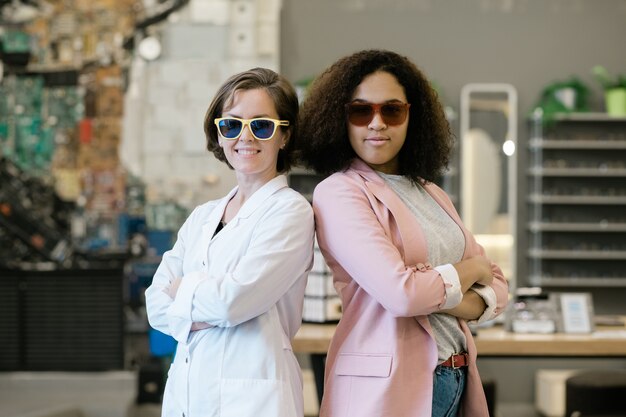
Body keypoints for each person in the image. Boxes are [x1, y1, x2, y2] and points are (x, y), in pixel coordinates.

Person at [296, 49, 509, 417]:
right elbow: (403, 295)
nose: (376, 123)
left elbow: (500, 287)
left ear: (412, 116)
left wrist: (434, 286)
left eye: (391, 110)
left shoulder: (431, 193)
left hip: (452, 377)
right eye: (361, 111)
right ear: (341, 119)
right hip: (385, 391)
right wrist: (471, 271)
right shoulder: (340, 192)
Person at [145, 67, 315, 417]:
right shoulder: (202, 217)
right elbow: (154, 305)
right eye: (232, 125)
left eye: (262, 125)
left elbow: (232, 303)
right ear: (219, 135)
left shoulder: (291, 212)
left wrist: (183, 292)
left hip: (254, 400)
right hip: (186, 396)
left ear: (284, 136)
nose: (245, 137)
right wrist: (206, 301)